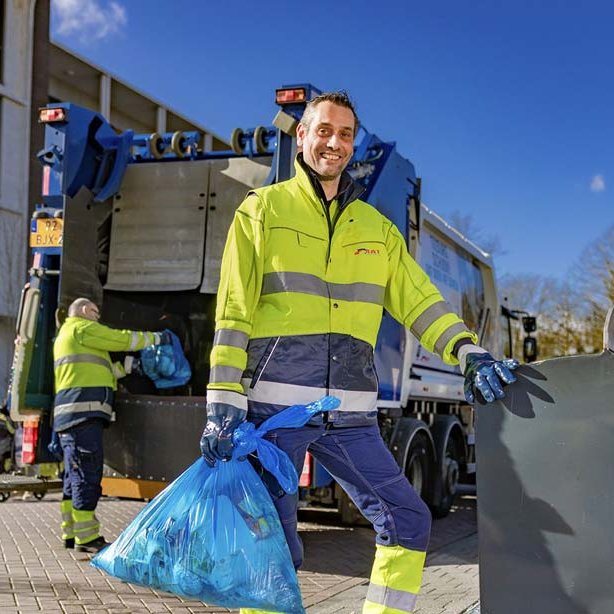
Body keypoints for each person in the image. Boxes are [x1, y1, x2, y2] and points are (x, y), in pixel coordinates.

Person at [200, 92, 518, 614]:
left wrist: (468, 351)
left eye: (345, 134)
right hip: (272, 413)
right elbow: (233, 310)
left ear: (353, 146)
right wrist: (222, 401)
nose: (334, 142)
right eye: (324, 130)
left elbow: (421, 303)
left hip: (350, 419)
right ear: (301, 136)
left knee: (408, 520)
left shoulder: (377, 230)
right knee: (272, 547)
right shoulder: (261, 212)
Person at [53, 297, 170, 553]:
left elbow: (99, 372)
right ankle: (87, 537)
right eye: (95, 312)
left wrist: (125, 368)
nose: (98, 317)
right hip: (83, 415)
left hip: (72, 416)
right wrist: (155, 339)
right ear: (85, 310)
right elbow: (121, 339)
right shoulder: (81, 327)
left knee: (74, 475)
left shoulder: (71, 337)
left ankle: (71, 533)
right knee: (87, 473)